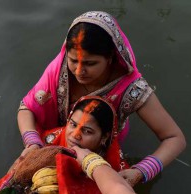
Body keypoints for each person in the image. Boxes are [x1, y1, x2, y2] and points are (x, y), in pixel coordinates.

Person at [17, 11, 186, 186]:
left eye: (90, 64)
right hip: (56, 137)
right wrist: (33, 145)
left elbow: (174, 138)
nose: (79, 71)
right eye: (74, 60)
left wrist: (140, 171)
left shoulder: (131, 88)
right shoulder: (60, 67)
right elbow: (26, 108)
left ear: (110, 58)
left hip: (98, 148)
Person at [0, 96, 135, 194]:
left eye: (87, 131)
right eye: (72, 124)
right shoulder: (50, 143)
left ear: (104, 137)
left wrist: (90, 162)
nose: (74, 135)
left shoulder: (115, 166)